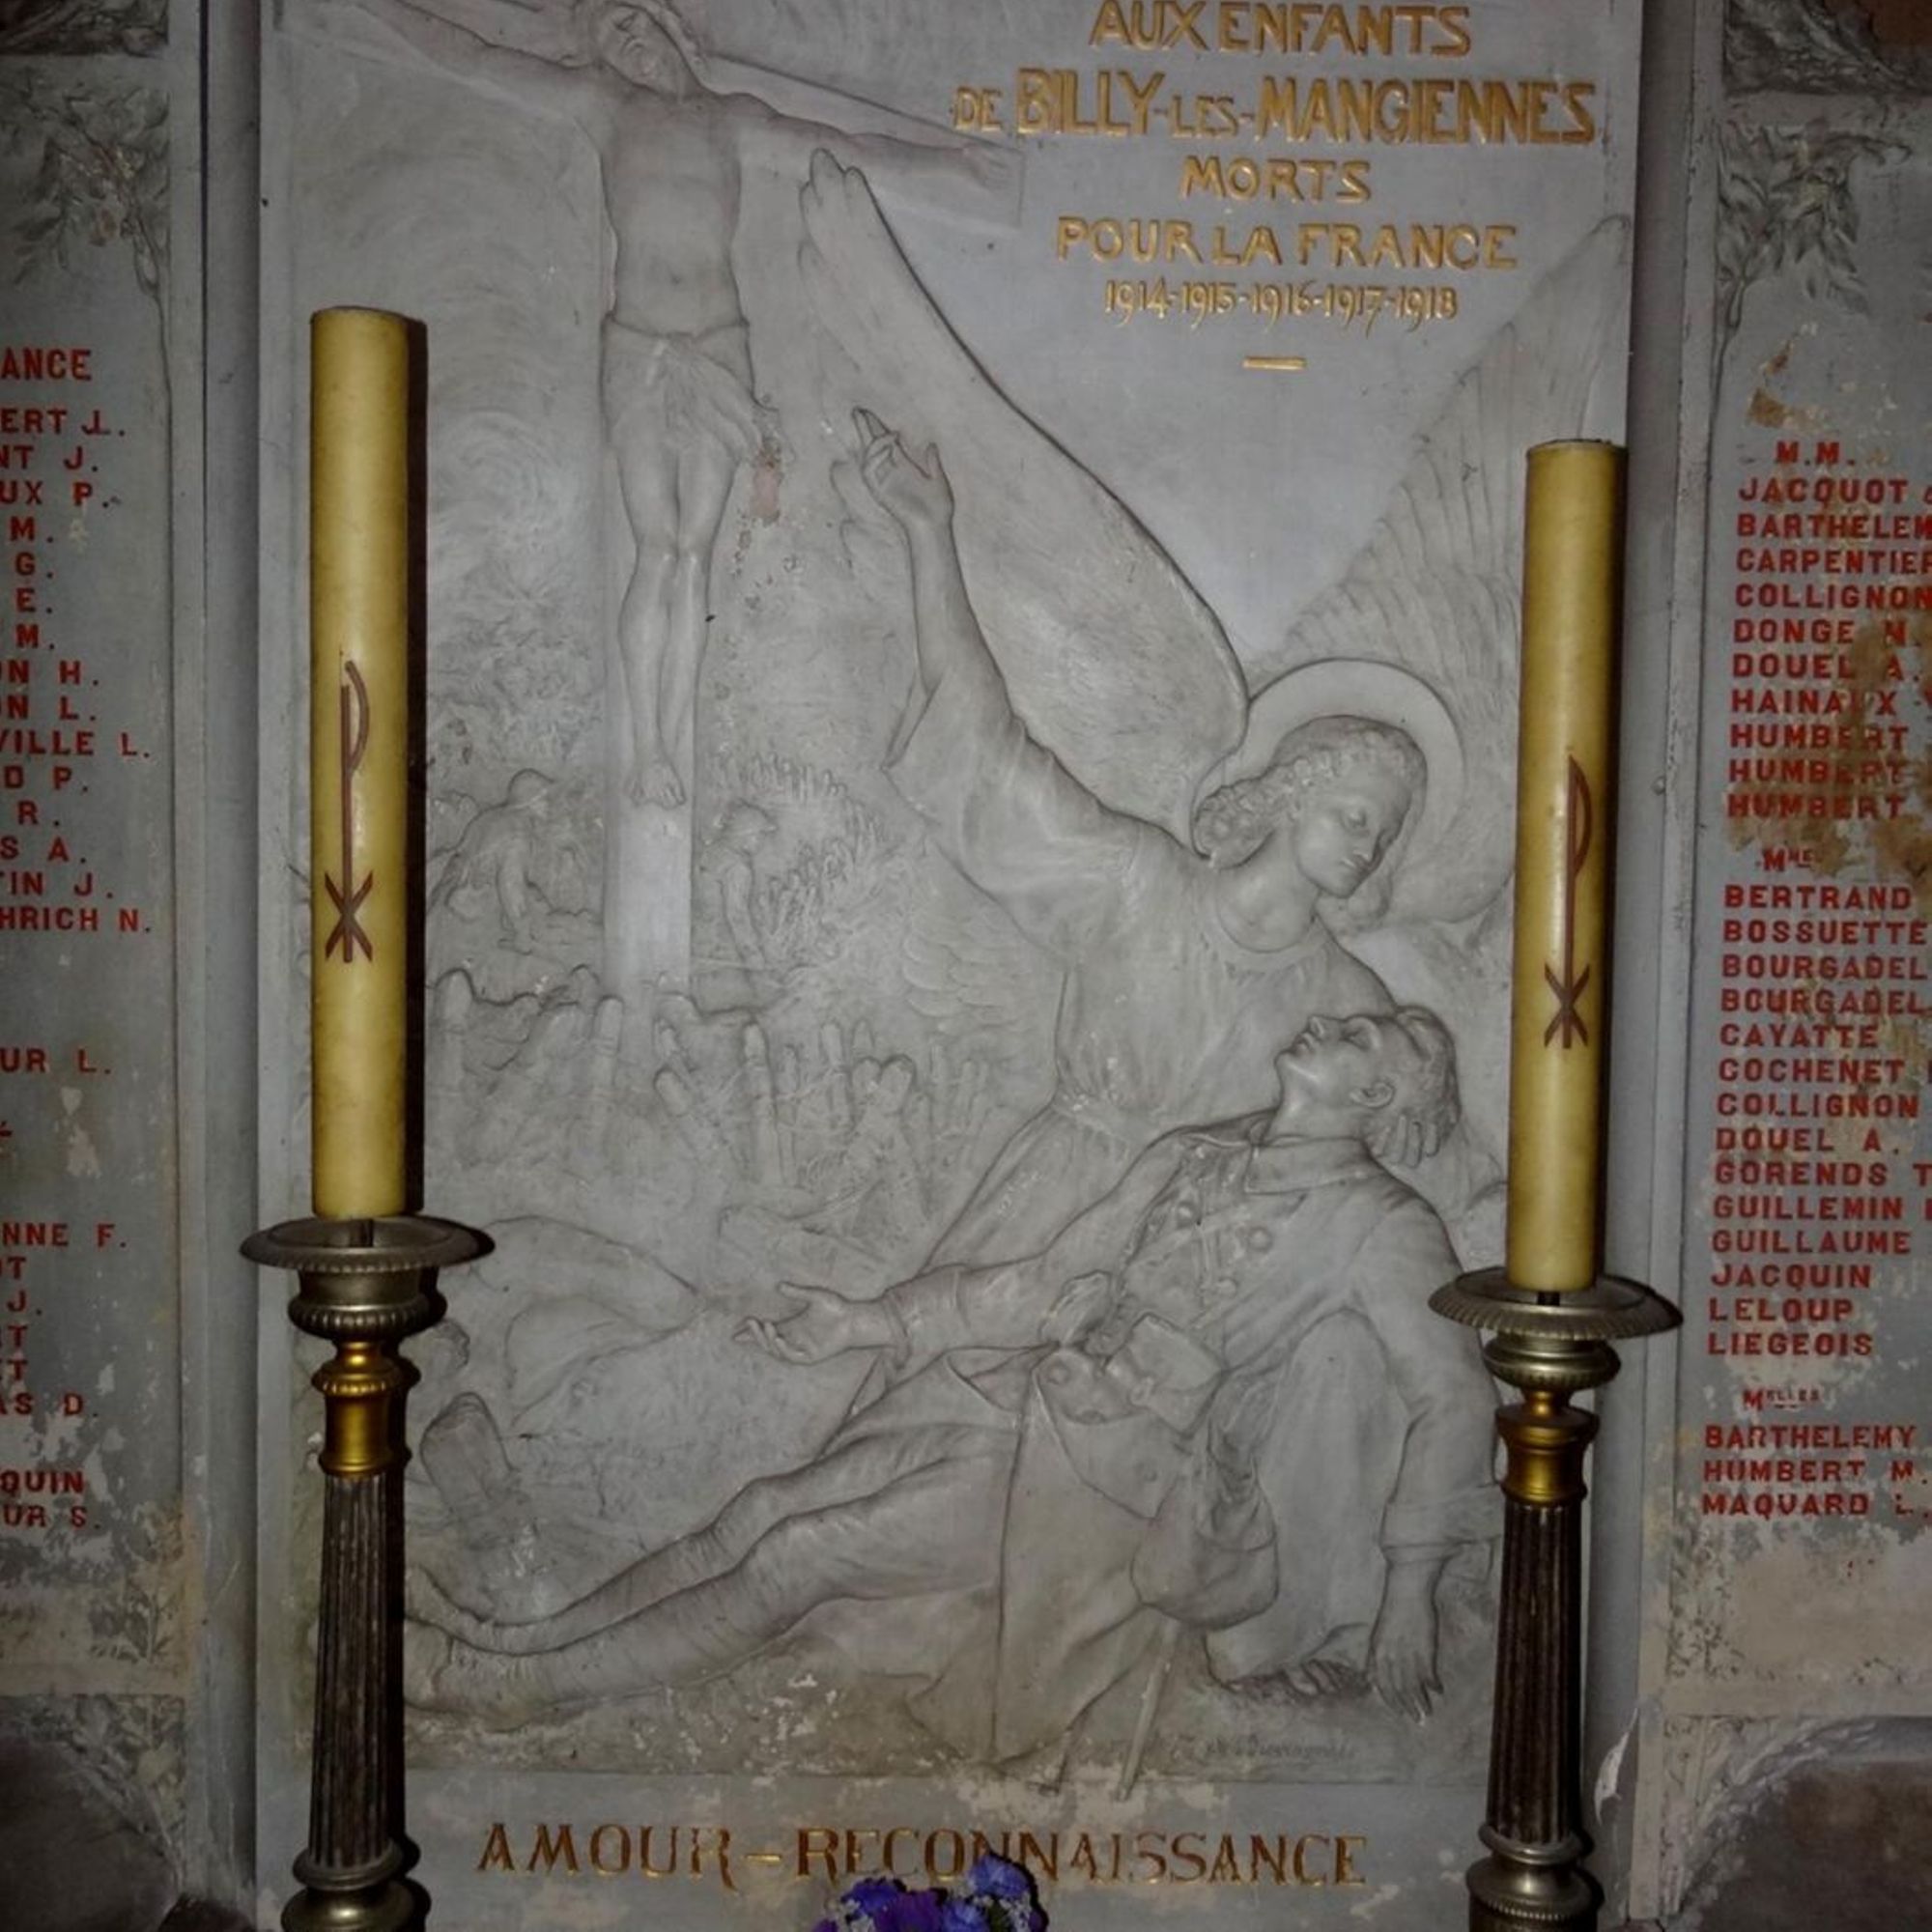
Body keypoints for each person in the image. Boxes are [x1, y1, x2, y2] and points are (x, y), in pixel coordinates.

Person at [405, 1007, 1496, 1756]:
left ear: (1377, 1094)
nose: (1330, 1023)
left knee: (801, 1551)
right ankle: (524, 1640)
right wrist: (870, 1321)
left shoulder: (1382, 1222)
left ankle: (504, 1692)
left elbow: (1451, 1397)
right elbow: (1044, 1281)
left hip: (1120, 1481)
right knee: (762, 1506)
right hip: (1021, 1395)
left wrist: (1407, 1590)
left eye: (1359, 1036)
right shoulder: (1194, 1150)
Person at [358, 2, 995, 810]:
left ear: (672, 28)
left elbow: (849, 145)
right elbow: (474, 56)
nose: (631, 45)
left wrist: (953, 166)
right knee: (655, 547)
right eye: (614, 39)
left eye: (637, 25)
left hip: (718, 350)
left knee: (694, 550)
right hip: (640, 352)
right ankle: (649, 749)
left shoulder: (732, 120)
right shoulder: (605, 105)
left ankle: (673, 738)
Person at [850, 412, 1438, 1266]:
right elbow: (984, 755)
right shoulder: (1141, 884)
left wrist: (1425, 1114)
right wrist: (928, 533)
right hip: (1047, 1211)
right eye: (1355, 815)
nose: (1369, 846)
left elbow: (1377, 1142)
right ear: (1292, 794)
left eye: (1383, 834)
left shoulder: (1352, 1000)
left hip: (1193, 1253)